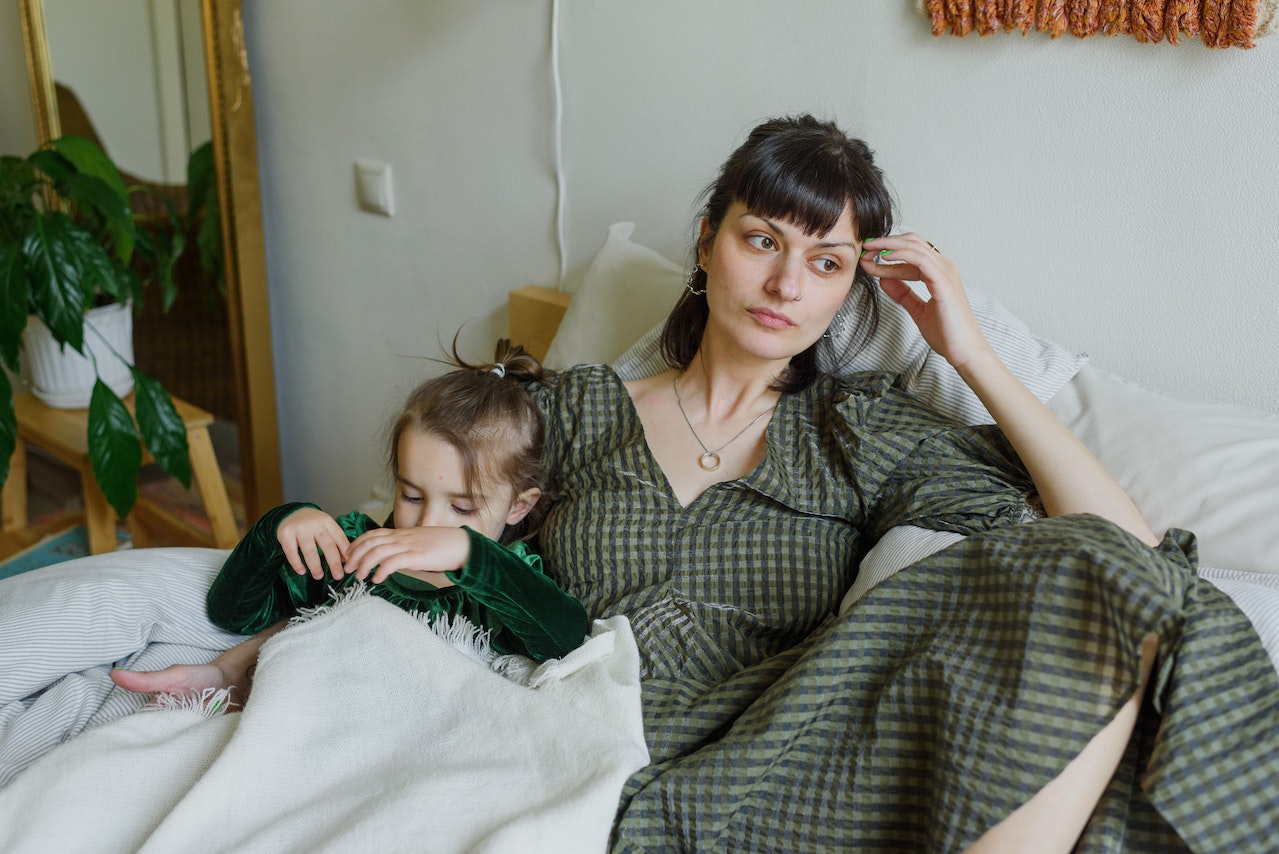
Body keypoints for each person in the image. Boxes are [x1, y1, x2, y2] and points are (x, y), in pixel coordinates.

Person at [119, 115, 1278, 852]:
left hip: (783, 742)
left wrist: (965, 350)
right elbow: (433, 522)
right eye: (762, 237)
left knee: (1098, 576)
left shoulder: (861, 432)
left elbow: (1124, 552)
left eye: (824, 261)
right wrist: (278, 606)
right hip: (584, 725)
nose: (786, 279)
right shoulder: (571, 410)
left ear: (847, 294)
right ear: (709, 241)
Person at [112, 340, 589, 707]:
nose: (427, 524)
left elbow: (566, 642)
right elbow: (231, 613)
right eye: (411, 495)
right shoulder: (359, 547)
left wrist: (472, 556)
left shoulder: (508, 579)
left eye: (462, 509)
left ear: (519, 507)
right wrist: (278, 527)